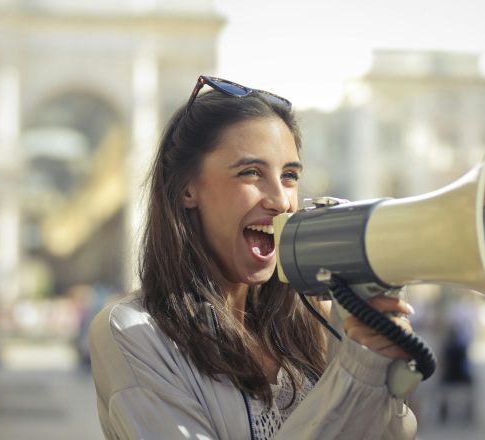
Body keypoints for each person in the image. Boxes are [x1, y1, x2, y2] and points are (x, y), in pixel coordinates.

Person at [88, 76, 418, 439]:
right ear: (186, 188)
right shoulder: (133, 332)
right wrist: (356, 374)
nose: (281, 200)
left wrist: (381, 370)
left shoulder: (319, 321)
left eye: (290, 176)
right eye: (251, 172)